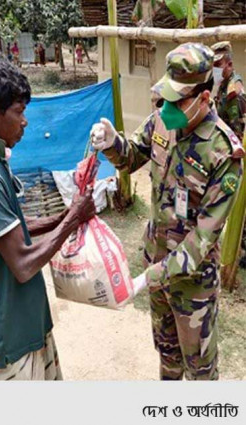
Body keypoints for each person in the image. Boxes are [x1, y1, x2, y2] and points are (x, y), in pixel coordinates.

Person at [90, 43, 243, 380]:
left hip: (193, 287)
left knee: (200, 371)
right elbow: (132, 156)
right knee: (167, 357)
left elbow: (203, 239)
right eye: (166, 97)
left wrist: (149, 277)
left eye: (177, 100)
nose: (166, 107)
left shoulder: (224, 154)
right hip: (157, 271)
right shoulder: (162, 120)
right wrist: (112, 143)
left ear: (205, 98)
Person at [0, 52, 95, 381]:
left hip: (24, 325)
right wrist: (72, 218)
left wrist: (65, 214)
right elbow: (23, 263)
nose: (25, 121)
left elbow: (13, 232)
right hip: (9, 342)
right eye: (19, 111)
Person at [209, 41, 246, 269]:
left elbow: (239, 132)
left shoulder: (236, 93)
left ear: (229, 64)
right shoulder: (220, 87)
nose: (214, 68)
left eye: (217, 64)